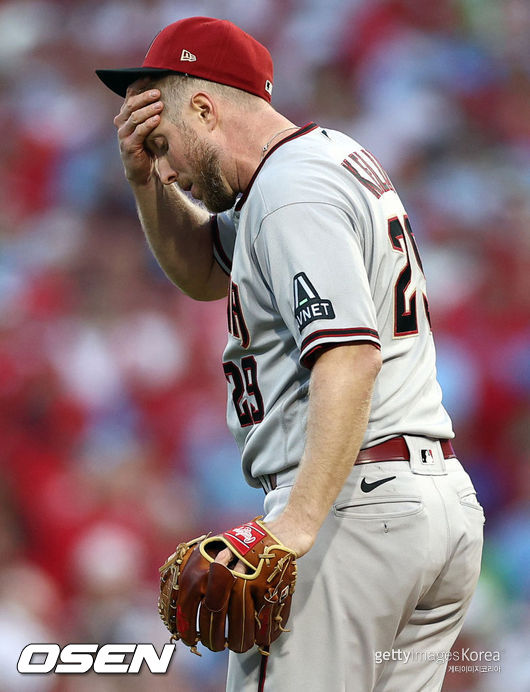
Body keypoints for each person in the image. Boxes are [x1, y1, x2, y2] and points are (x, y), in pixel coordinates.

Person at [96, 16, 484, 691]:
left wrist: (295, 529)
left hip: (352, 510)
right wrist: (145, 185)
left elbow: (348, 357)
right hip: (426, 504)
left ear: (207, 109)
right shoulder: (315, 164)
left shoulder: (288, 192)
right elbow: (202, 273)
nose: (168, 167)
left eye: (165, 145)